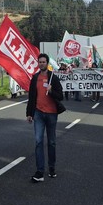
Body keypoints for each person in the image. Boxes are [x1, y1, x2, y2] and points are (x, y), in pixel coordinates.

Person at [26, 53, 64, 182]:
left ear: (47, 63)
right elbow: (31, 97)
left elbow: (60, 96)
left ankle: (52, 167)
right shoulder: (35, 78)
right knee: (38, 141)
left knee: (51, 142)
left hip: (51, 113)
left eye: (43, 62)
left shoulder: (53, 78)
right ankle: (40, 171)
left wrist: (52, 90)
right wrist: (29, 113)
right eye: (40, 62)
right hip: (38, 113)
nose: (41, 63)